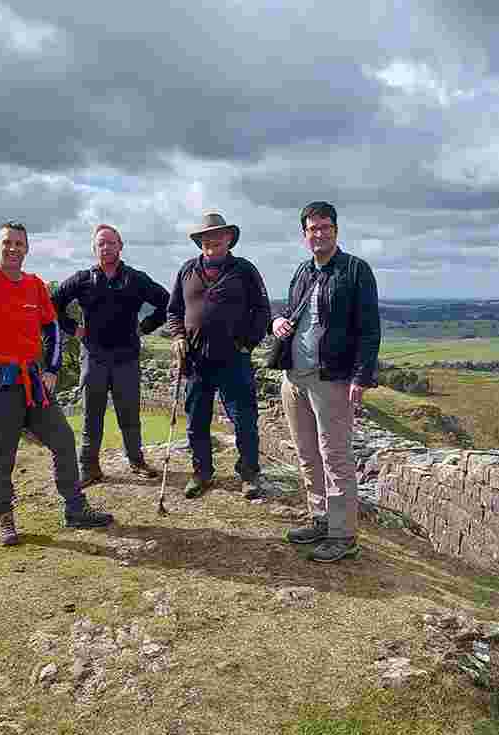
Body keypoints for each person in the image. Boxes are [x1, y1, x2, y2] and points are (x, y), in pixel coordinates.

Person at [0, 221, 114, 546]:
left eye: (19, 243)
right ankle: (3, 518)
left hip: (33, 378)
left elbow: (52, 327)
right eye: (7, 243)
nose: (13, 248)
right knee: (2, 453)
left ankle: (75, 509)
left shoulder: (35, 285)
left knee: (62, 438)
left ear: (27, 249)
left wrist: (52, 367)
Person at [272, 202, 380, 562]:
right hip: (295, 378)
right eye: (312, 228)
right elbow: (292, 313)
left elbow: (369, 330)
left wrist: (361, 377)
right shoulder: (303, 271)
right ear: (304, 235)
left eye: (325, 227)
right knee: (307, 453)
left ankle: (343, 533)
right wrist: (277, 322)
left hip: (332, 379)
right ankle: (320, 518)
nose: (318, 234)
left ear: (336, 230)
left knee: (335, 456)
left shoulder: (355, 270)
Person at [51, 224, 171, 486]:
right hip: (93, 356)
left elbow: (167, 302)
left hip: (127, 356)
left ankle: (136, 461)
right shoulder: (82, 279)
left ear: (120, 246)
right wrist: (73, 329)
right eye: (100, 244)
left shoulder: (136, 279)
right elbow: (52, 305)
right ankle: (89, 467)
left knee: (128, 414)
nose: (106, 248)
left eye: (110, 243)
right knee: (91, 414)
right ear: (95, 249)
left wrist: (145, 327)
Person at [167, 212, 271, 500]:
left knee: (244, 420)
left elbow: (262, 311)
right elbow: (173, 310)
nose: (211, 240)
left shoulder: (244, 270)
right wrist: (177, 336)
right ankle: (201, 472)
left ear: (228, 238)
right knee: (196, 421)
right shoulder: (187, 270)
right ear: (200, 241)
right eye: (206, 236)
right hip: (197, 361)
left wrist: (246, 344)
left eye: (218, 234)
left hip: (233, 360)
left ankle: (249, 474)